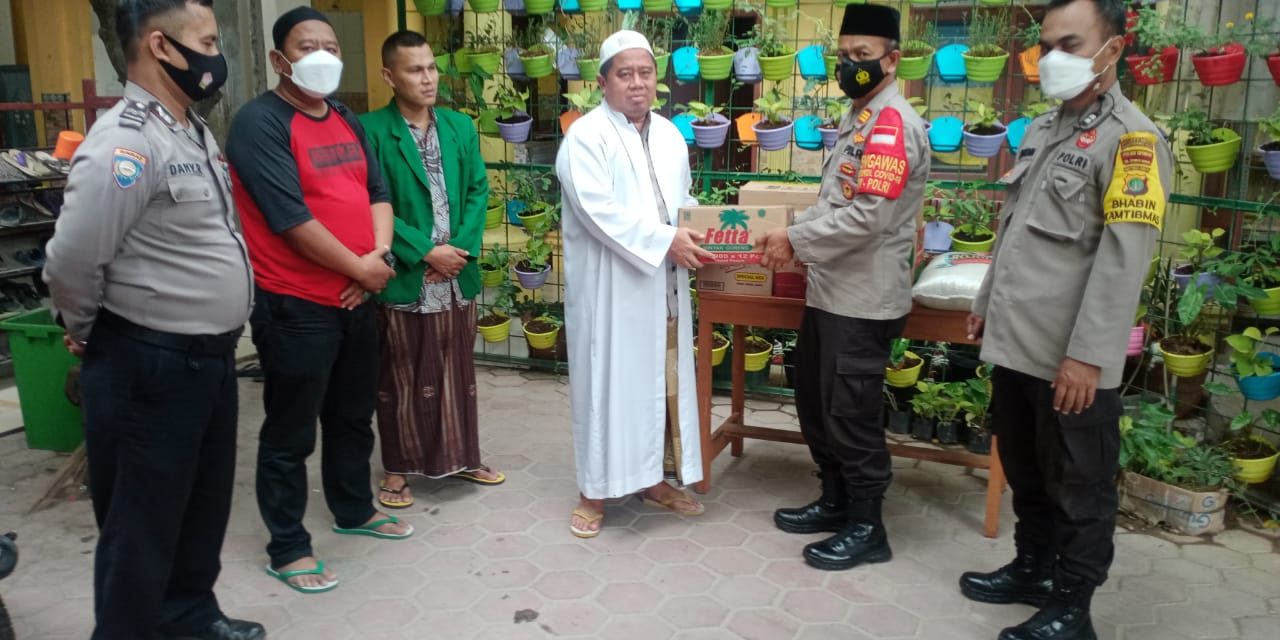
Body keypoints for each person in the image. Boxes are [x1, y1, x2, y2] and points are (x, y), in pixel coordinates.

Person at [42, 1, 263, 638]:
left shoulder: (189, 128)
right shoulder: (126, 143)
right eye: (209, 41)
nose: (217, 55)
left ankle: (191, 618)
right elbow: (71, 262)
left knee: (199, 512)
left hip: (207, 361)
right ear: (163, 47)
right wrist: (90, 332)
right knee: (141, 531)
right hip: (149, 366)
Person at [960, 1, 1169, 638]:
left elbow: (1123, 260)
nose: (1053, 59)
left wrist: (1089, 355)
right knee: (1025, 469)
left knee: (1080, 486)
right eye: (1047, 45)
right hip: (1018, 343)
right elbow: (1015, 230)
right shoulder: (1043, 129)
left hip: (1071, 358)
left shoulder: (1133, 140)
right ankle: (1032, 568)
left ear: (1113, 47)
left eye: (1070, 44)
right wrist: (983, 302)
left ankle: (1074, 608)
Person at [226, 6, 411, 595]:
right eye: (308, 47)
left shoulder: (346, 119)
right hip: (296, 305)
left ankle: (353, 509)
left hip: (358, 295)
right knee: (291, 428)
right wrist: (358, 266)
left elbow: (376, 192)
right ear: (280, 59)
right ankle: (287, 546)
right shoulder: (259, 123)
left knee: (353, 415)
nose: (322, 56)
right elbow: (288, 219)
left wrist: (375, 261)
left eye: (330, 46)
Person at [756, 3, 930, 572]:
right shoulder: (861, 119)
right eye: (844, 55)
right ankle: (834, 501)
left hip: (862, 299)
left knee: (850, 414)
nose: (851, 65)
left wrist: (794, 241)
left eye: (863, 56)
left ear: (893, 59)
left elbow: (868, 218)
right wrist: (800, 240)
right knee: (817, 403)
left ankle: (867, 526)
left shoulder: (891, 125)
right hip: (831, 292)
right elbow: (841, 205)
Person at [554, 30, 715, 538]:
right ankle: (594, 491)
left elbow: (681, 202)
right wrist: (666, 240)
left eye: (645, 72)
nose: (637, 83)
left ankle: (651, 481)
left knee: (659, 383)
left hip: (663, 284)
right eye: (625, 73)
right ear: (603, 82)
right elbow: (598, 212)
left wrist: (690, 238)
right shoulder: (584, 137)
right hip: (610, 290)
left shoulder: (670, 134)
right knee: (607, 384)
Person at [359, 30, 504, 509]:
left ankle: (464, 456)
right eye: (414, 70)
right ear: (388, 76)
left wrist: (457, 249)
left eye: (431, 68)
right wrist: (424, 251)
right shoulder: (371, 131)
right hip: (407, 273)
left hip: (455, 272)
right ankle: (398, 470)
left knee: (458, 369)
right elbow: (369, 202)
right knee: (401, 372)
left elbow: (479, 191)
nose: (427, 78)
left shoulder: (459, 127)